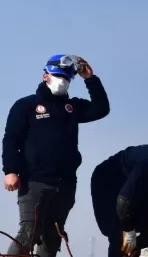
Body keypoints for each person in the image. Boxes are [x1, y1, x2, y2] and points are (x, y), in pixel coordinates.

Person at [3, 55, 110, 257]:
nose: (63, 81)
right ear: (46, 76)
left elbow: (101, 109)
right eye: (59, 75)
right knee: (29, 232)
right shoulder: (25, 106)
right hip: (34, 181)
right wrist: (10, 171)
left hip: (66, 184)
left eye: (68, 78)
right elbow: (11, 140)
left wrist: (91, 79)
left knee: (53, 237)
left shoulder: (72, 108)